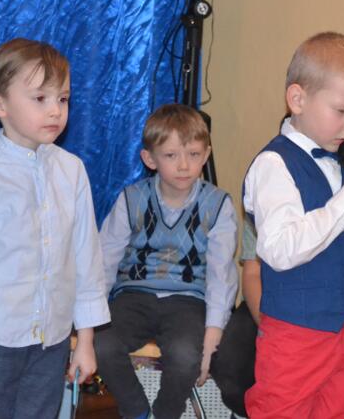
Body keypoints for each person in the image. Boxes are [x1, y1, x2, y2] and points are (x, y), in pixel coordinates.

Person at [0, 39, 110, 418]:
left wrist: (85, 340)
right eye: (40, 98)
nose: (55, 110)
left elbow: (86, 259)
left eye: (62, 99)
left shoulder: (72, 171)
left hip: (52, 340)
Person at [242, 31, 344, 418]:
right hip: (297, 334)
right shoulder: (274, 165)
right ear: (297, 99)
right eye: (342, 111)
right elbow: (279, 249)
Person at [95, 104, 238, 419]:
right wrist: (91, 314)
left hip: (188, 300)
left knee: (185, 354)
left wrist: (212, 337)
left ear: (206, 154)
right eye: (171, 155)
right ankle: (137, 411)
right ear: (150, 159)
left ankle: (165, 414)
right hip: (134, 295)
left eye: (194, 154)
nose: (184, 165)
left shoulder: (218, 205)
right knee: (102, 344)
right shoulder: (131, 198)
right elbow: (104, 261)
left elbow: (221, 275)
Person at [208, 214, 261, 417]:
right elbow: (252, 274)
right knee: (232, 367)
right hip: (264, 302)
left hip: (319, 310)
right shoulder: (259, 202)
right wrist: (270, 326)